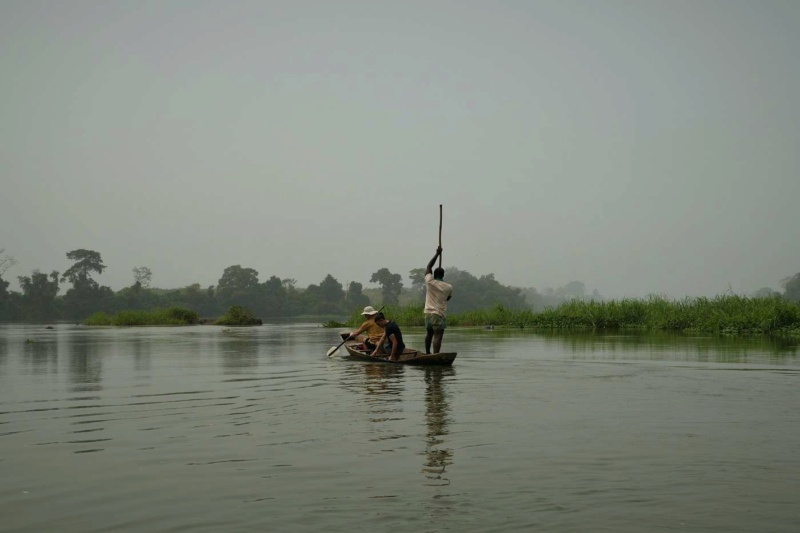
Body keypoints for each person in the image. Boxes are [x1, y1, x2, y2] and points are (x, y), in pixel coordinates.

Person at [424, 246, 453, 354]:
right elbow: (448, 298)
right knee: (438, 336)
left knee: (429, 334)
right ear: (443, 275)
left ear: (434, 275)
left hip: (428, 313)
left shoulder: (430, 282)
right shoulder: (448, 287)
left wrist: (437, 253)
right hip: (438, 314)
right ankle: (435, 355)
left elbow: (428, 266)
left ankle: (427, 353)